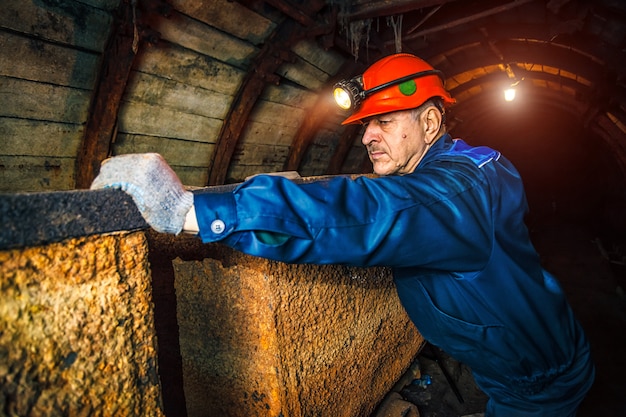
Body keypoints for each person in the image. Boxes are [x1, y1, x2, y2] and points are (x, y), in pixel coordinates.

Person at [91, 53, 594, 416]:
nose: (367, 135)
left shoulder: (454, 191)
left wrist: (193, 209)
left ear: (431, 120)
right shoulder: (461, 169)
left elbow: (369, 213)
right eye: (363, 125)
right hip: (517, 365)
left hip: (538, 385)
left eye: (385, 121)